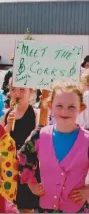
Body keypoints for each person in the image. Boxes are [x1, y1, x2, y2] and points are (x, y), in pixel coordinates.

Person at [18, 79, 89, 213]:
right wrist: (31, 183)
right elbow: (23, 158)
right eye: (59, 106)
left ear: (81, 108)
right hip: (45, 208)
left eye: (71, 107)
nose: (65, 111)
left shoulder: (87, 140)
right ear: (50, 106)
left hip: (76, 208)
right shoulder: (39, 136)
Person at [1, 77, 40, 213]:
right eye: (13, 90)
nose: (17, 93)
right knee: (8, 205)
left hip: (28, 168)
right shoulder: (5, 113)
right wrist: (8, 125)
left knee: (25, 207)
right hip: (8, 166)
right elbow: (0, 139)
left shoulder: (36, 114)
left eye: (22, 89)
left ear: (31, 92)